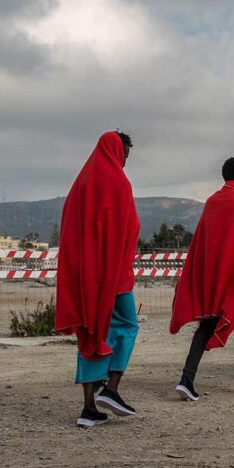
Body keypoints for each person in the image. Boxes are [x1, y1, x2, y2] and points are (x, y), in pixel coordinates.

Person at [169, 158, 234, 399]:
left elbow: (201, 244)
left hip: (212, 279)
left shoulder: (212, 202)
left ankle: (187, 378)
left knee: (207, 327)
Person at [55, 131, 141, 427]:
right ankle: (112, 389)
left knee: (90, 333)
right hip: (113, 275)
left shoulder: (80, 184)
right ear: (116, 151)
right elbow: (127, 230)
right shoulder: (118, 183)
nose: (125, 162)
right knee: (128, 326)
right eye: (124, 156)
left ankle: (89, 409)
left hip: (82, 277)